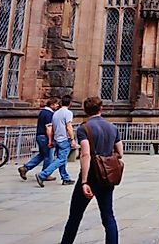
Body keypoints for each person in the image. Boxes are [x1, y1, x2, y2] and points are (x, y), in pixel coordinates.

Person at [60, 97, 123, 244]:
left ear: (85, 110)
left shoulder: (84, 128)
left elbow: (85, 153)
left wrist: (84, 181)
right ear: (101, 109)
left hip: (91, 176)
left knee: (75, 216)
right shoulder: (112, 127)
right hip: (106, 176)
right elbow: (120, 152)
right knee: (108, 216)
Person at [36, 94, 76, 186]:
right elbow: (68, 126)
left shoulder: (56, 113)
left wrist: (52, 140)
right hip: (64, 139)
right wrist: (72, 138)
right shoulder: (68, 113)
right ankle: (43, 175)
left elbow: (52, 127)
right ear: (70, 103)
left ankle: (65, 178)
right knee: (61, 159)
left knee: (62, 159)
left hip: (57, 139)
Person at [18, 97, 59, 181]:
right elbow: (49, 128)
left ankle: (25, 168)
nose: (57, 106)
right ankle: (45, 174)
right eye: (56, 104)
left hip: (39, 136)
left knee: (42, 155)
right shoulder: (49, 114)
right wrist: (50, 140)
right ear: (52, 104)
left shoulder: (42, 112)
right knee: (49, 156)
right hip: (45, 137)